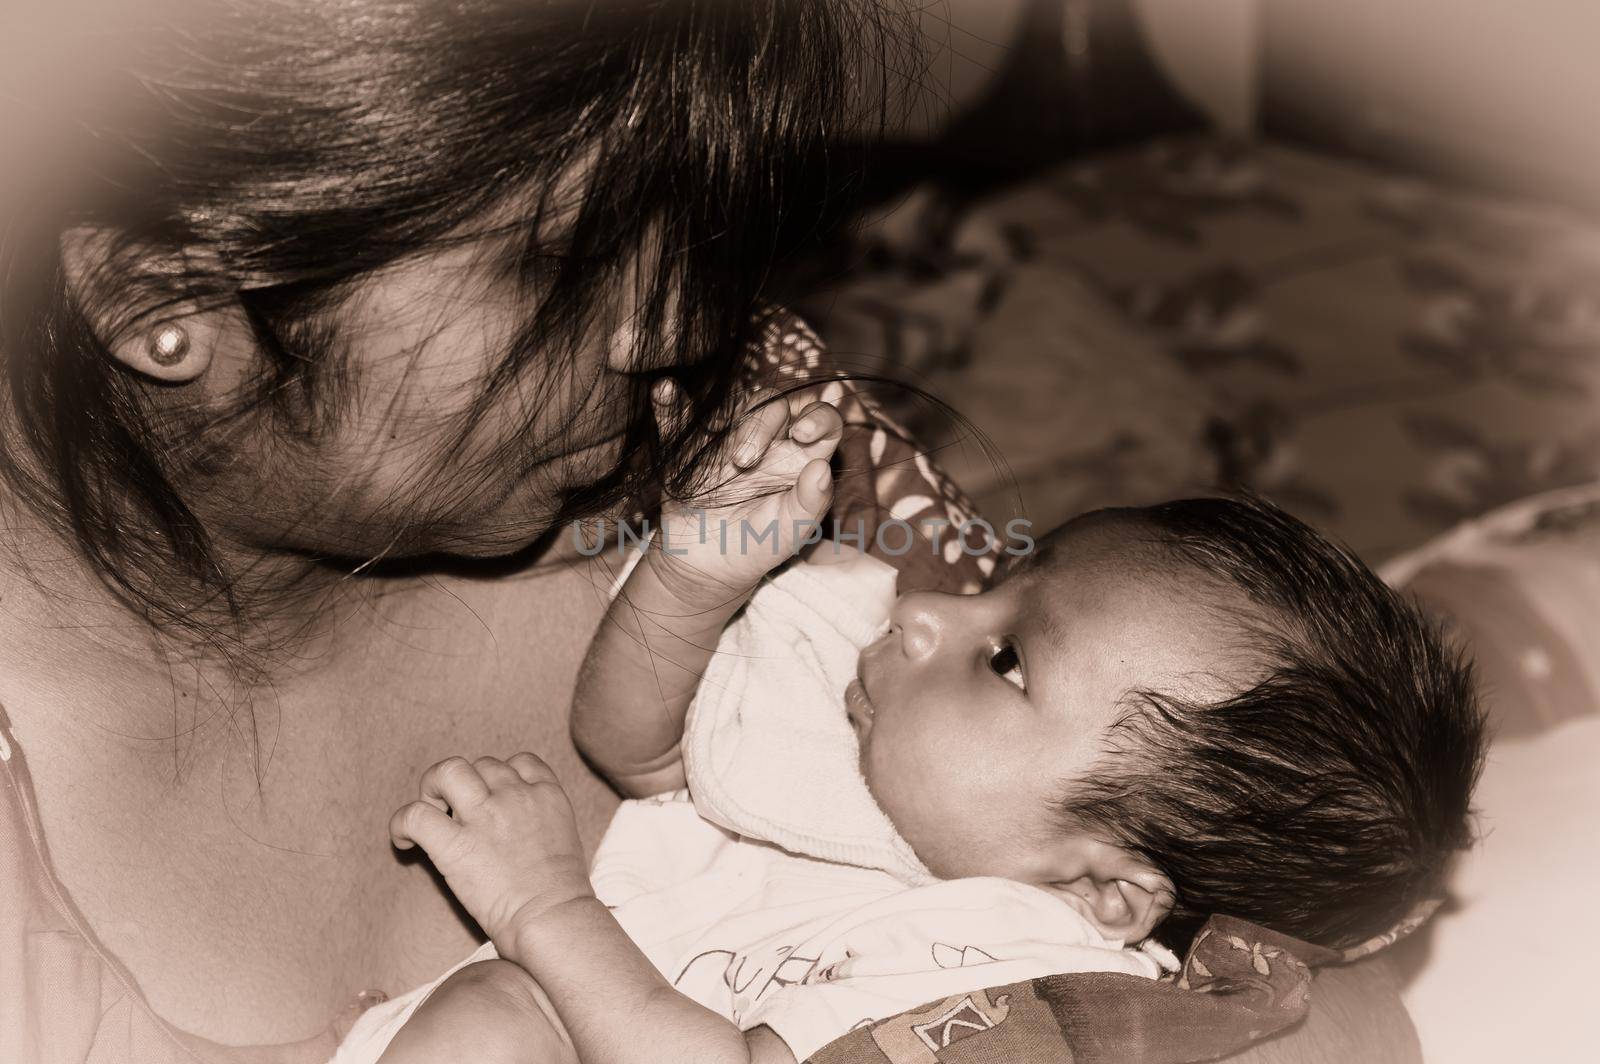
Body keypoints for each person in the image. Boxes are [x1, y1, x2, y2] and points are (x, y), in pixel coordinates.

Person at [0, 2, 1449, 1062]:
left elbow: (1288, 947)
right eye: (567, 258)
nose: (673, 323)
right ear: (162, 302)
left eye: (683, 221)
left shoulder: (735, 441)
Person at [366, 391, 1486, 1063]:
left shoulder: (1023, 981)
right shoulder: (865, 740)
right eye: (1001, 573)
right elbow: (639, 745)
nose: (924, 609)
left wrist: (543, 905)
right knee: (494, 1020)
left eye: (1004, 659)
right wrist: (693, 582)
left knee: (502, 1021)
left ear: (1107, 888)